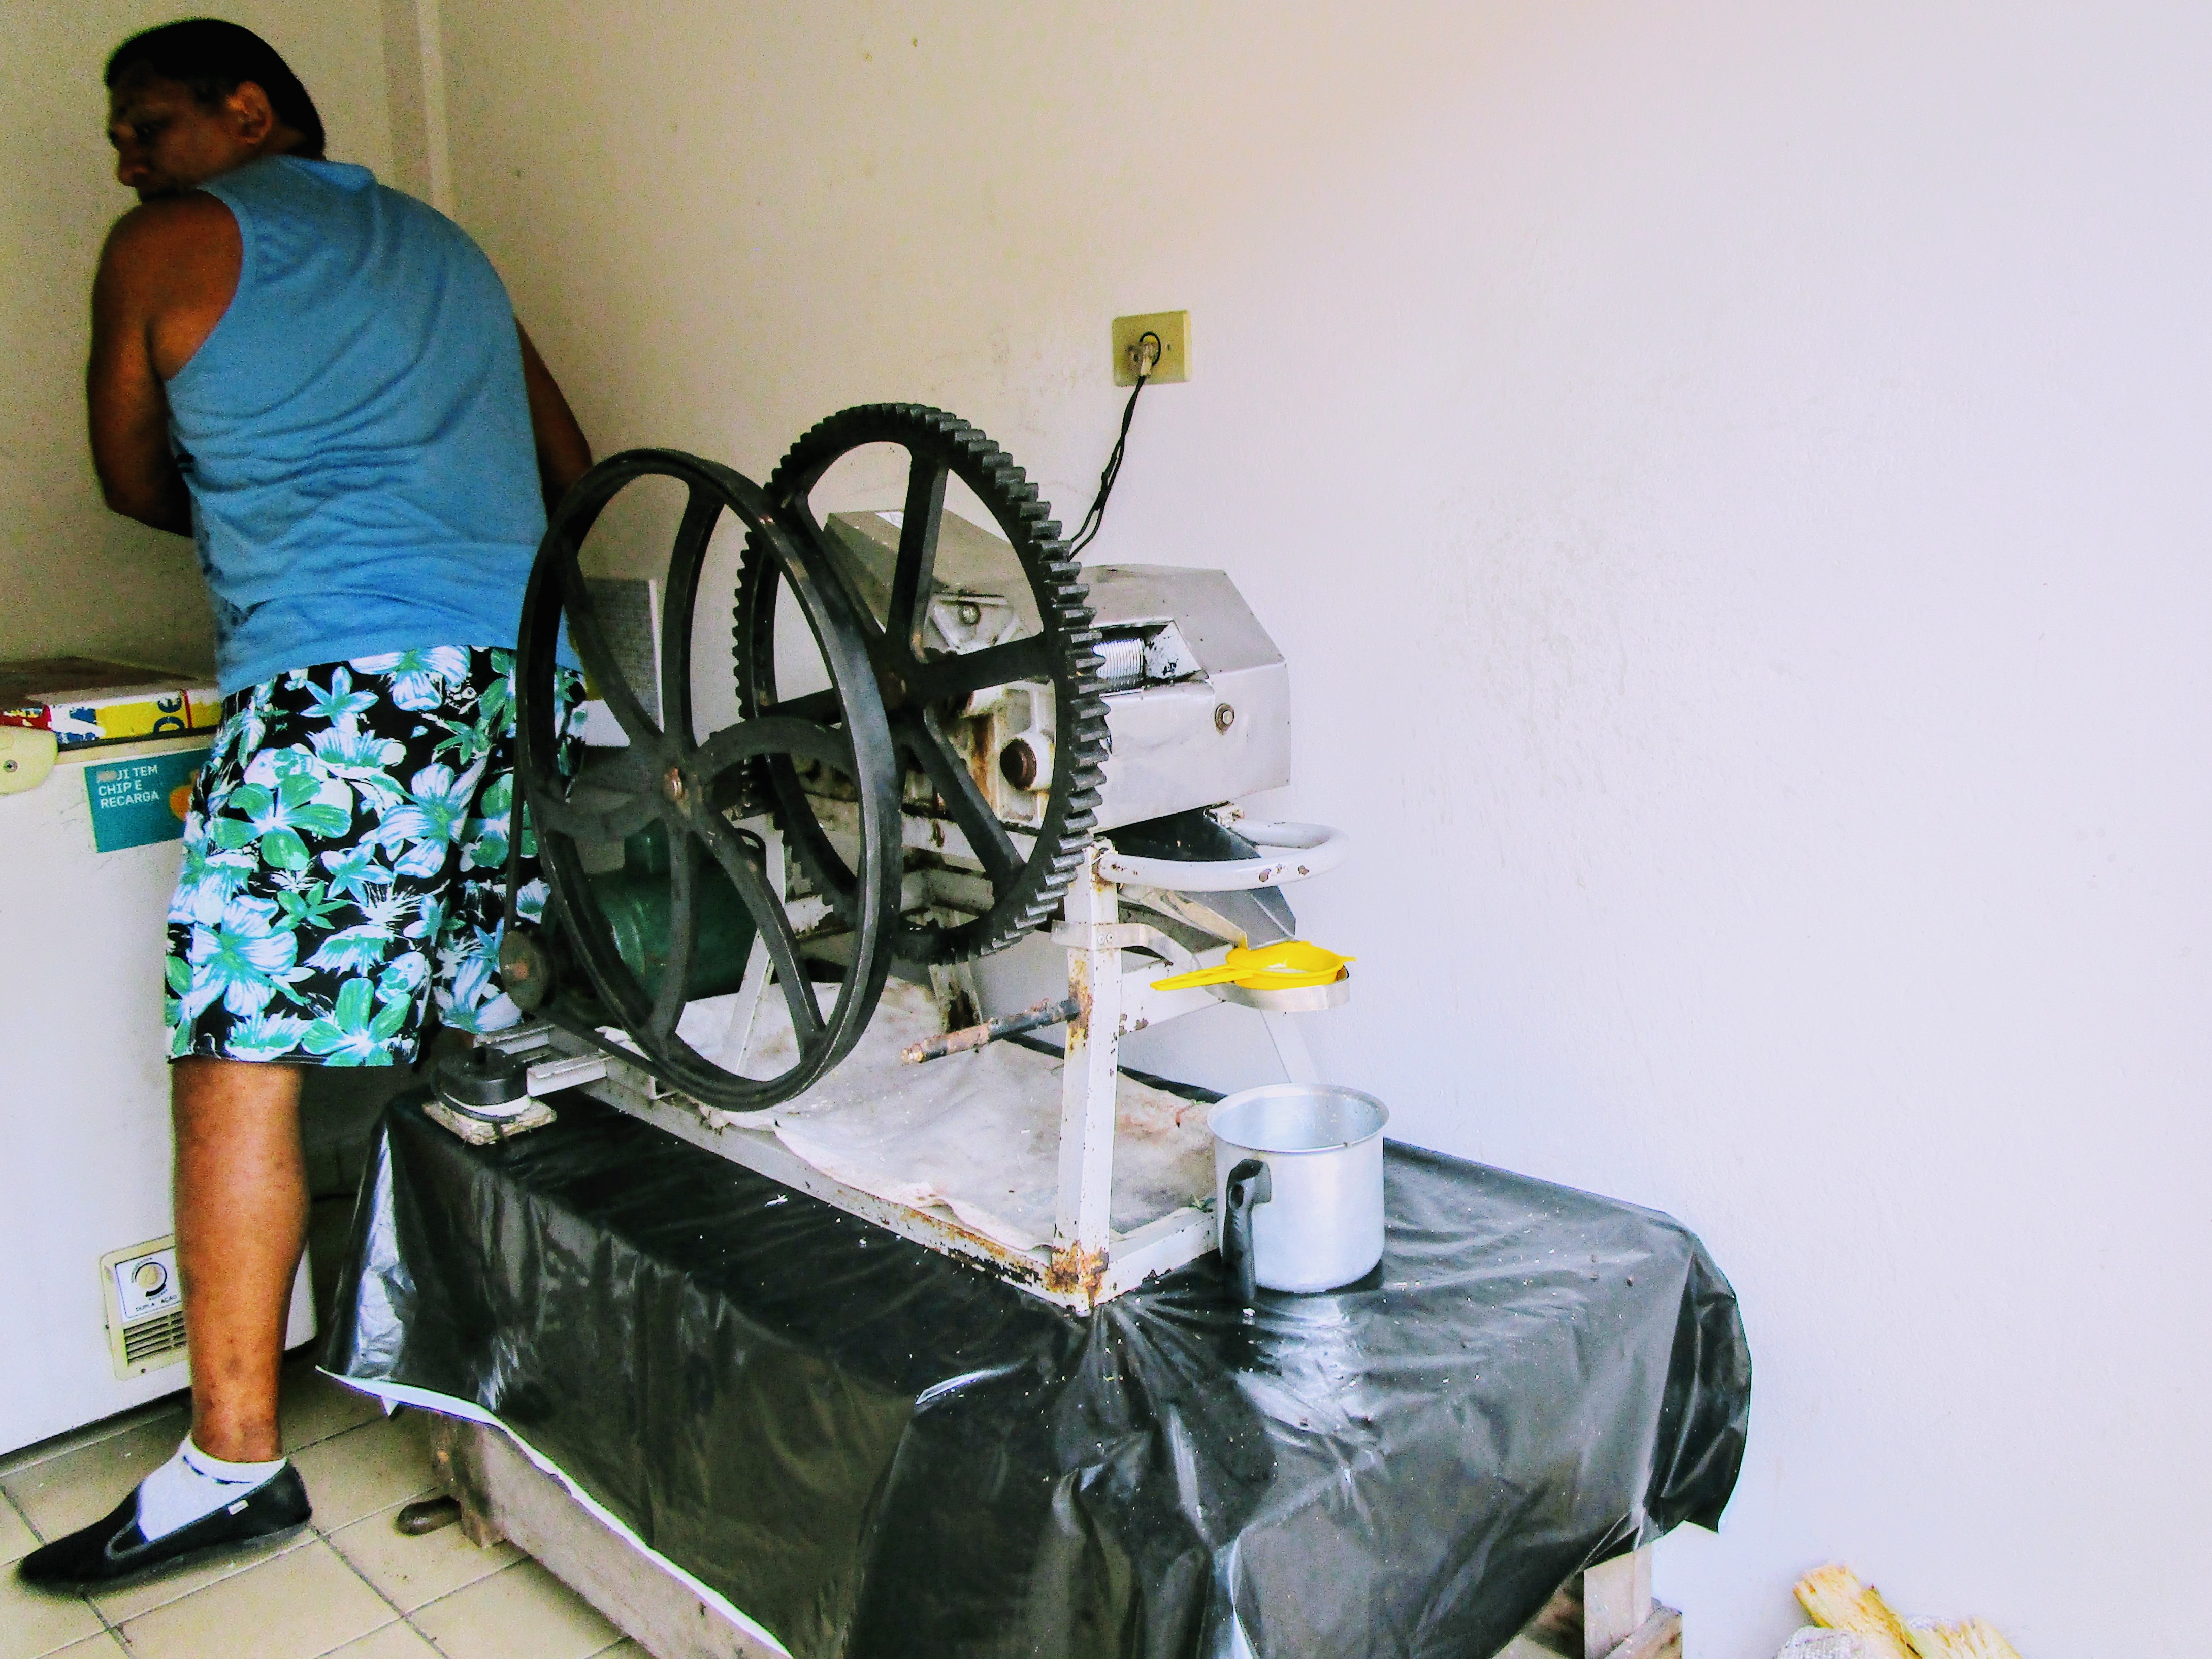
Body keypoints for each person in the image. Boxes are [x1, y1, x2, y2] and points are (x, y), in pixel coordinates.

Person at [19, 19, 592, 1588]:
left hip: (340, 686)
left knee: (237, 1052)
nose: (126, 157)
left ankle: (231, 1466)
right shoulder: (446, 242)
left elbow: (133, 477)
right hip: (519, 673)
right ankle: (542, 1381)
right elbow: (567, 457)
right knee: (486, 1017)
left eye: (147, 122)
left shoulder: (168, 243)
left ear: (247, 108)